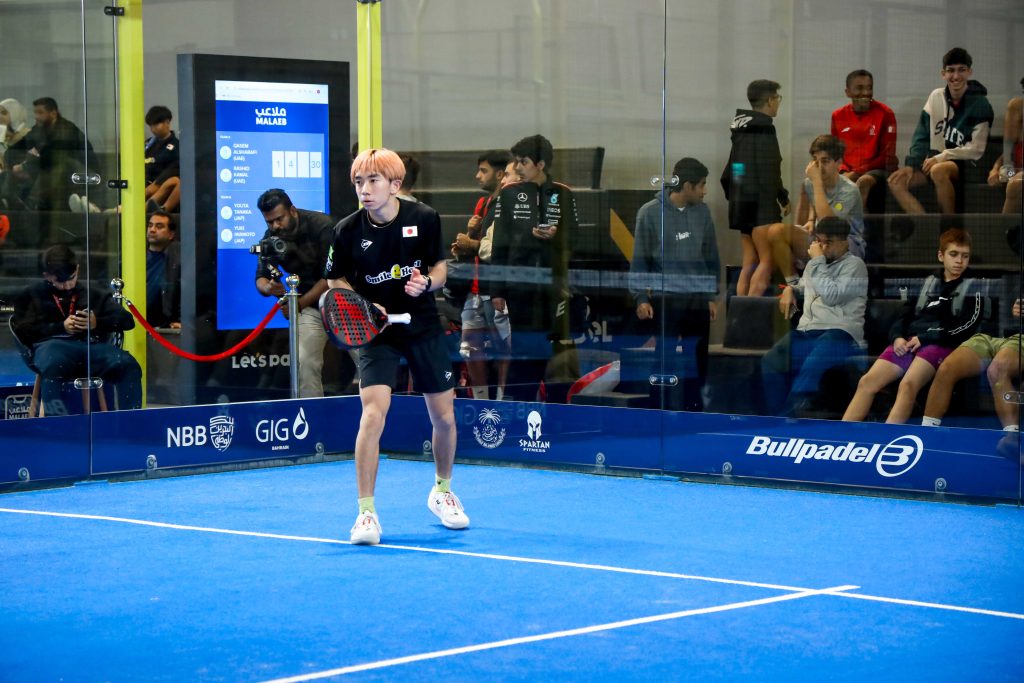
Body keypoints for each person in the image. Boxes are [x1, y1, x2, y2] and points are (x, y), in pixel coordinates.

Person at [324, 148, 467, 545]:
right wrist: (365, 306)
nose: (364, 190)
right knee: (373, 415)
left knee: (444, 417)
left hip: (422, 326)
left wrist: (428, 283)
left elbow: (440, 267)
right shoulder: (347, 230)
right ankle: (366, 513)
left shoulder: (424, 218)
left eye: (373, 181)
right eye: (359, 182)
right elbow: (335, 279)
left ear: (395, 185)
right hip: (376, 330)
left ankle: (442, 491)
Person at [843, 228, 983, 424]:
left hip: (939, 344)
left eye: (965, 256)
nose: (959, 261)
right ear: (941, 256)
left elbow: (967, 326)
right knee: (867, 381)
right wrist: (897, 338)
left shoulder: (975, 286)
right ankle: (843, 435)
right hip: (908, 343)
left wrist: (924, 338)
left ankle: (889, 437)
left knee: (908, 384)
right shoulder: (927, 282)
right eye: (954, 254)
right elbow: (904, 315)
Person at [490, 133, 579, 403]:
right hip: (520, 286)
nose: (517, 167)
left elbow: (575, 238)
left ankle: (556, 408)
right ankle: (519, 406)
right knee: (524, 350)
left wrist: (556, 235)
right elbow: (499, 244)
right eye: (516, 161)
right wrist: (497, 290)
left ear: (540, 164)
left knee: (556, 350)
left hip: (554, 287)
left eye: (524, 162)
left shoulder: (563, 193)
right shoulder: (508, 194)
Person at [630, 157, 720, 411]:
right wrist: (641, 297)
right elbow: (640, 260)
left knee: (698, 359)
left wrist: (711, 296)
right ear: (688, 186)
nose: (705, 191)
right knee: (664, 358)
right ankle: (657, 412)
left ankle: (694, 413)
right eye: (702, 185)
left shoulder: (703, 213)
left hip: (697, 297)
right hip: (666, 297)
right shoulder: (649, 213)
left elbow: (711, 257)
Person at [11, 244, 141, 415]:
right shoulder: (31, 295)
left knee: (128, 364)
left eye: (71, 279)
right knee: (53, 361)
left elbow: (127, 321)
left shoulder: (93, 294)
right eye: (60, 281)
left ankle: (131, 422)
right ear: (47, 275)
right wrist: (60, 327)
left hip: (91, 349)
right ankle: (55, 424)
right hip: (52, 349)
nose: (67, 286)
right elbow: (22, 331)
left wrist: (96, 323)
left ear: (77, 269)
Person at [760, 217, 867, 417]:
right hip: (808, 331)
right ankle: (776, 417)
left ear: (844, 242)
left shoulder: (854, 265)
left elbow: (832, 296)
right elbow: (803, 286)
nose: (822, 247)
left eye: (829, 242)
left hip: (840, 333)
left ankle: (786, 420)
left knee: (811, 365)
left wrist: (817, 261)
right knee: (770, 361)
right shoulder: (814, 265)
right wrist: (790, 289)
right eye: (819, 241)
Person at [752, 134, 865, 294]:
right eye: (815, 161)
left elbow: (830, 225)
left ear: (839, 163)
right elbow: (810, 211)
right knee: (775, 231)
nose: (819, 167)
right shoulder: (809, 184)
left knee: (827, 240)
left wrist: (816, 182)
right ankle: (794, 285)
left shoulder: (849, 189)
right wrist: (810, 220)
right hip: (821, 239)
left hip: (847, 243)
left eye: (825, 161)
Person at [888, 47, 994, 215]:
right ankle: (926, 225)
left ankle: (948, 226)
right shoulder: (936, 96)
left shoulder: (980, 103)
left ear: (969, 72)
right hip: (935, 160)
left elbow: (976, 150)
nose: (956, 76)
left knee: (938, 171)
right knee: (896, 182)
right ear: (943, 74)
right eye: (950, 70)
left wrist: (942, 157)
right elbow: (921, 137)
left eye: (961, 70)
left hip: (969, 164)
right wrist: (912, 166)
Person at [253, 188, 336, 398]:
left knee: (363, 358)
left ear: (292, 210)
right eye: (269, 222)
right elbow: (260, 277)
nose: (275, 226)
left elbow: (330, 277)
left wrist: (298, 305)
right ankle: (311, 414)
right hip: (310, 307)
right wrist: (268, 288)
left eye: (279, 219)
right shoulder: (271, 238)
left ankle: (373, 410)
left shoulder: (323, 226)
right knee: (305, 362)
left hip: (342, 299)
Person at [450, 149, 512, 400]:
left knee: (504, 349)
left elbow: (500, 249)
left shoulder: (510, 204)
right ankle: (480, 401)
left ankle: (503, 401)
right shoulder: (482, 203)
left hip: (494, 291)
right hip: (474, 290)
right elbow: (476, 246)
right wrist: (467, 238)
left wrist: (472, 243)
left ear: (500, 174)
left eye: (483, 171)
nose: (477, 176)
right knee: (470, 348)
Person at [720, 79, 790, 296]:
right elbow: (770, 167)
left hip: (741, 204)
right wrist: (781, 197)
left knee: (749, 263)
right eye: (777, 98)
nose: (778, 103)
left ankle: (739, 310)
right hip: (762, 206)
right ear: (770, 100)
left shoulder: (740, 132)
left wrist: (736, 197)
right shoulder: (765, 128)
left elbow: (732, 170)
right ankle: (751, 310)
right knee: (767, 262)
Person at [920, 297, 1020, 440]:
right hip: (987, 336)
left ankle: (1012, 438)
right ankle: (926, 433)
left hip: (1020, 337)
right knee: (947, 368)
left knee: (997, 370)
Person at [14, 97, 98, 211]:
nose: (36, 117)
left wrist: (25, 167)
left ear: (53, 113)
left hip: (84, 174)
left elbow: (52, 156)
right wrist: (9, 160)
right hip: (62, 173)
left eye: (40, 112)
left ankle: (32, 201)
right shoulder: (40, 129)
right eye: (35, 113)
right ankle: (12, 200)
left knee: (56, 165)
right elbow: (20, 145)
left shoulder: (65, 130)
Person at [830, 69, 898, 208]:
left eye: (869, 88)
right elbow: (836, 153)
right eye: (860, 88)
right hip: (847, 171)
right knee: (812, 183)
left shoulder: (885, 113)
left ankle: (856, 222)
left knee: (863, 182)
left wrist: (856, 173)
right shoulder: (838, 116)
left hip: (878, 170)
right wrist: (843, 171)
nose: (866, 92)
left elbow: (887, 156)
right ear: (848, 92)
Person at [986, 78, 1022, 215]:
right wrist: (995, 169)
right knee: (1006, 175)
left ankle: (1006, 228)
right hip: (1014, 170)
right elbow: (1007, 155)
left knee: (1015, 183)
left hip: (1017, 178)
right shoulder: (1016, 106)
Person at [145, 210, 181, 329]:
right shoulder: (135, 256)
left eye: (159, 226)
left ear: (171, 234)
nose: (152, 230)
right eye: (150, 225)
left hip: (164, 323)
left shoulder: (179, 257)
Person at [143, 105, 180, 213]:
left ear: (167, 122)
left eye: (156, 124)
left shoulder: (176, 146)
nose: (153, 129)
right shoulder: (148, 144)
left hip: (158, 186)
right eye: (151, 125)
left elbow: (171, 172)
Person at [0, 98, 33, 209]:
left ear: (15, 114)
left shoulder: (27, 135)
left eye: (4, 113)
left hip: (22, 180)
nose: (0, 116)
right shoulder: (3, 137)